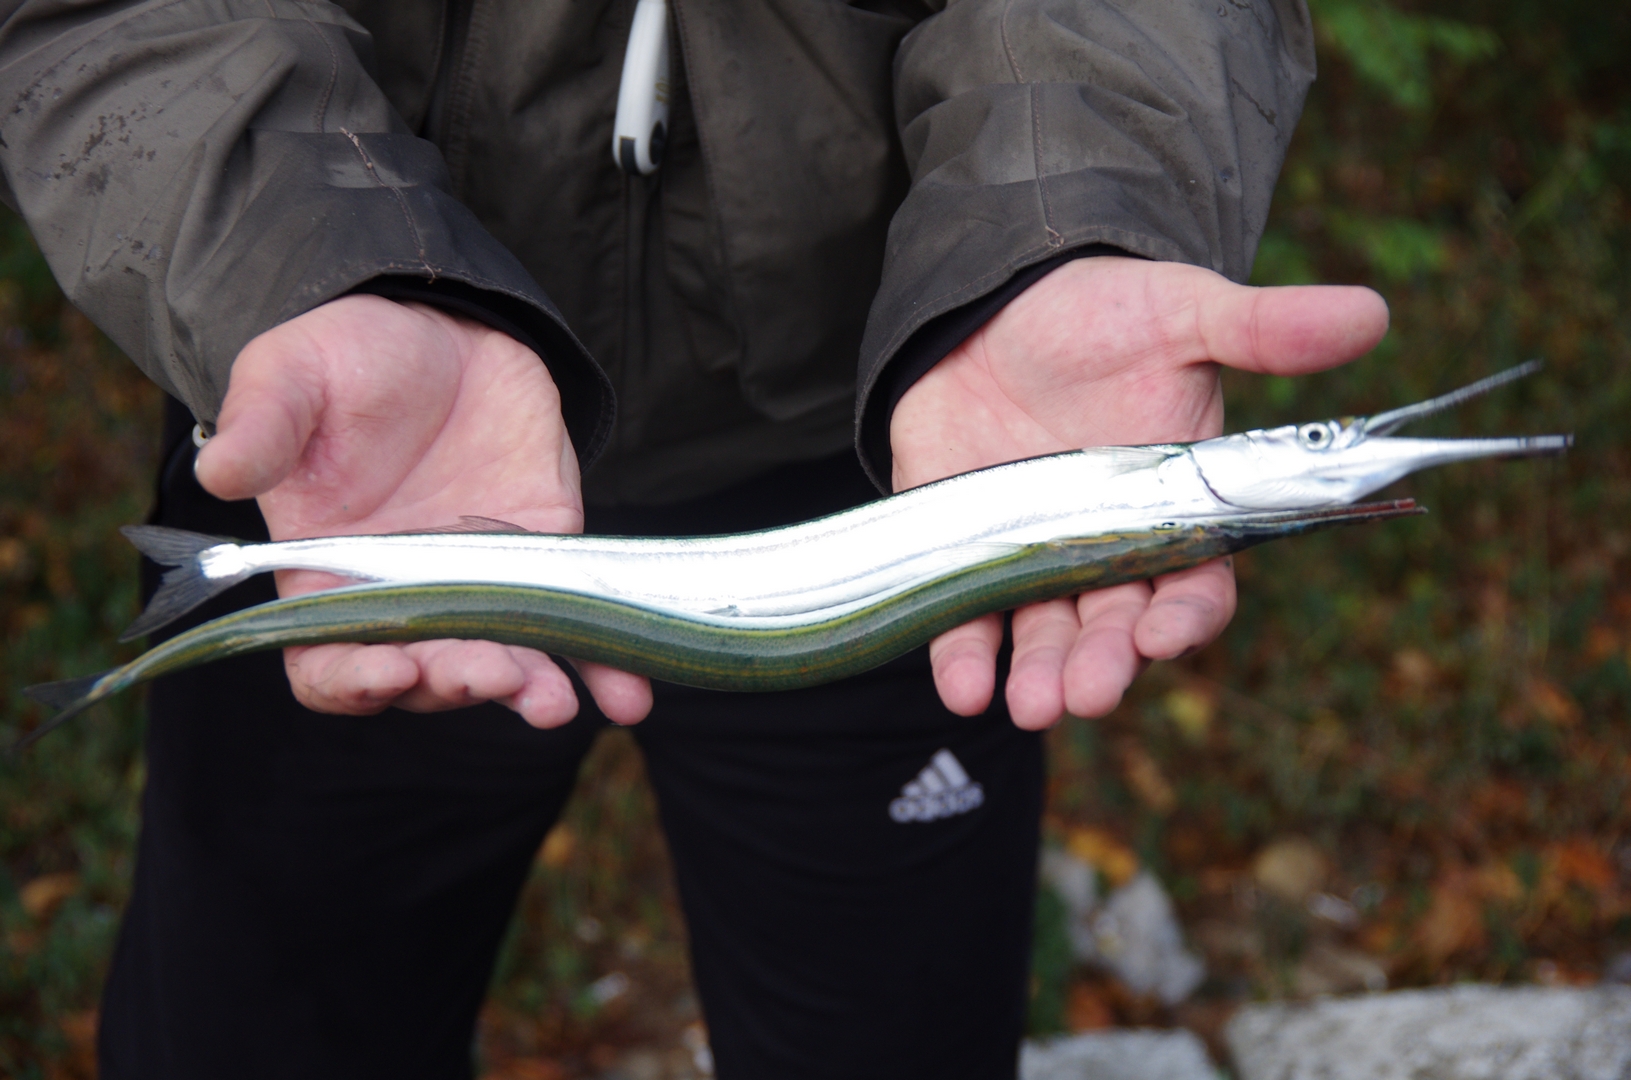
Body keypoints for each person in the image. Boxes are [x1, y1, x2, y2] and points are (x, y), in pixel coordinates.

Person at [0, 0, 1387, 1076]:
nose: (1314, 446)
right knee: (256, 1038)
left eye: (1313, 457)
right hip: (355, 436)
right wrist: (298, 258)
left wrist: (1066, 219)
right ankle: (217, 586)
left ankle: (194, 608)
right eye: (1316, 441)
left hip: (884, 437)